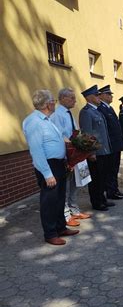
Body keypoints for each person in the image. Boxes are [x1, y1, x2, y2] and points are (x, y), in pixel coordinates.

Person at [22, 89, 79, 245]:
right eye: (53, 100)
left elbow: (61, 139)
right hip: (48, 166)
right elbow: (37, 150)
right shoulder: (34, 121)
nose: (55, 103)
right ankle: (50, 233)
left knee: (60, 198)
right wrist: (47, 174)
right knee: (49, 201)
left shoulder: (47, 120)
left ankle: (61, 227)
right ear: (47, 104)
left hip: (58, 164)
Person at [50, 87, 91, 227]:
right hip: (66, 154)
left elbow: (74, 132)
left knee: (75, 183)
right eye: (71, 98)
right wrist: (73, 146)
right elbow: (60, 135)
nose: (74, 100)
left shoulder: (69, 113)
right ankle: (65, 214)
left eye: (74, 97)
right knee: (66, 186)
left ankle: (74, 209)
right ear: (62, 99)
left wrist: (82, 144)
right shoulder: (57, 114)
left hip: (75, 153)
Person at [79, 85, 114, 211]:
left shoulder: (96, 111)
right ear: (89, 97)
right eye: (96, 95)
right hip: (96, 153)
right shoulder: (86, 112)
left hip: (103, 150)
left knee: (102, 177)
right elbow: (87, 134)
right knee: (96, 179)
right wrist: (91, 152)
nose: (99, 97)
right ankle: (97, 202)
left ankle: (102, 199)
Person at [97, 85, 123, 200]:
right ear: (102, 96)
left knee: (114, 169)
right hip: (110, 145)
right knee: (110, 170)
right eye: (109, 94)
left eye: (111, 94)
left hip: (116, 144)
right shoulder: (101, 109)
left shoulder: (109, 108)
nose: (111, 97)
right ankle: (111, 191)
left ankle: (114, 189)